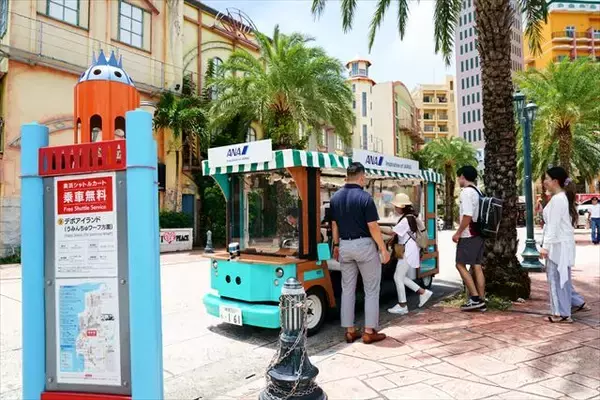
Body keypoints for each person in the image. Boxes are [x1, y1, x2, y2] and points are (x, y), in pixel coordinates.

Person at [330, 162, 390, 344]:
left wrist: (336, 245)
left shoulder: (335, 198)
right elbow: (373, 227)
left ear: (347, 176)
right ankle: (369, 331)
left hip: (344, 245)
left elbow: (334, 224)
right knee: (371, 289)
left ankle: (350, 331)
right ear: (362, 177)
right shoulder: (365, 198)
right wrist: (383, 249)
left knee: (347, 289)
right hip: (364, 246)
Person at [540, 167, 587, 323]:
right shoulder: (561, 198)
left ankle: (560, 313)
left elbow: (553, 225)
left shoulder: (558, 199)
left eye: (547, 178)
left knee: (555, 279)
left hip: (557, 245)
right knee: (562, 279)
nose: (544, 182)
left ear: (555, 181)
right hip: (561, 244)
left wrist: (545, 246)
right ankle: (566, 310)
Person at [387, 193, 433, 315]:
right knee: (401, 277)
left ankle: (402, 305)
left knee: (398, 277)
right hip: (410, 250)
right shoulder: (410, 217)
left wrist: (374, 227)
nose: (395, 208)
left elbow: (391, 232)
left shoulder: (406, 220)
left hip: (407, 251)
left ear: (402, 206)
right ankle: (423, 292)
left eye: (396, 206)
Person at [453, 166, 486, 311]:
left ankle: (474, 298)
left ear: (462, 176)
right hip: (479, 234)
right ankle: (482, 300)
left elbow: (467, 215)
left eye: (458, 177)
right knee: (477, 266)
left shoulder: (466, 192)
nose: (457, 180)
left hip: (469, 234)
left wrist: (458, 233)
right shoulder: (478, 191)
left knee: (460, 264)